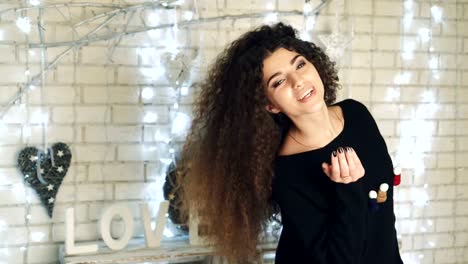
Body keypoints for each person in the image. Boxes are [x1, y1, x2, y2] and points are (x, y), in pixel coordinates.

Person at [175, 22, 403, 264]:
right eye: (278, 82)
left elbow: (381, 209)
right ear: (269, 105)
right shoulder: (287, 170)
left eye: (300, 65)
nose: (298, 81)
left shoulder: (357, 115)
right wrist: (349, 188)